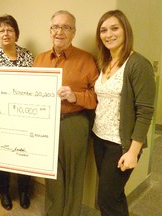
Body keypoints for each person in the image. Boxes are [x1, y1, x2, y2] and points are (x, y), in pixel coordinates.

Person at [33, 10, 99, 216]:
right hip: (46, 123)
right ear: (50, 30)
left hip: (74, 122)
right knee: (51, 174)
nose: (60, 31)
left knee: (73, 175)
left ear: (74, 32)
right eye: (56, 27)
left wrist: (75, 96)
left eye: (66, 27)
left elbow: (97, 97)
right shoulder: (40, 59)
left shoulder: (86, 59)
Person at [92, 10, 156, 216]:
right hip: (99, 138)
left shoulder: (138, 64)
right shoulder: (104, 62)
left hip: (121, 145)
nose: (108, 34)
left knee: (106, 200)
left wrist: (133, 151)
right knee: (115, 195)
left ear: (126, 30)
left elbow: (145, 111)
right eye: (103, 30)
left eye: (114, 28)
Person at [0, 14, 34, 210]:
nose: (6, 33)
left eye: (10, 29)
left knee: (24, 154)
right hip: (0, 116)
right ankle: (3, 192)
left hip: (23, 115)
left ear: (16, 33)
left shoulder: (27, 55)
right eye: (1, 30)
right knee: (2, 155)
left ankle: (24, 191)